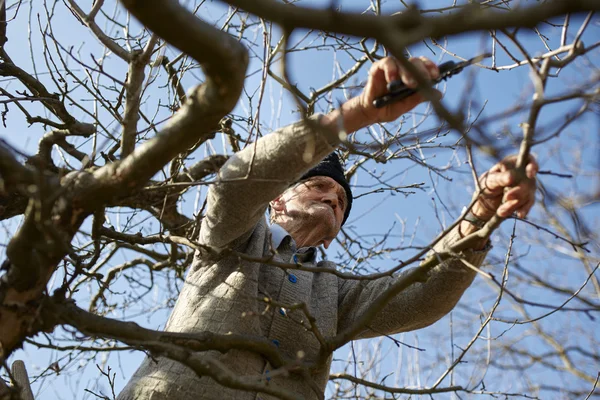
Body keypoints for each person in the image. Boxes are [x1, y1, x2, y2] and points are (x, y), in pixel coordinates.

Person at [118, 56, 538, 400]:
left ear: (335, 231)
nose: (333, 199)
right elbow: (237, 183)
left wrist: (481, 212)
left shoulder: (333, 292)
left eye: (341, 202)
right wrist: (353, 116)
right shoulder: (235, 235)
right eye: (319, 186)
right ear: (278, 199)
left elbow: (420, 295)